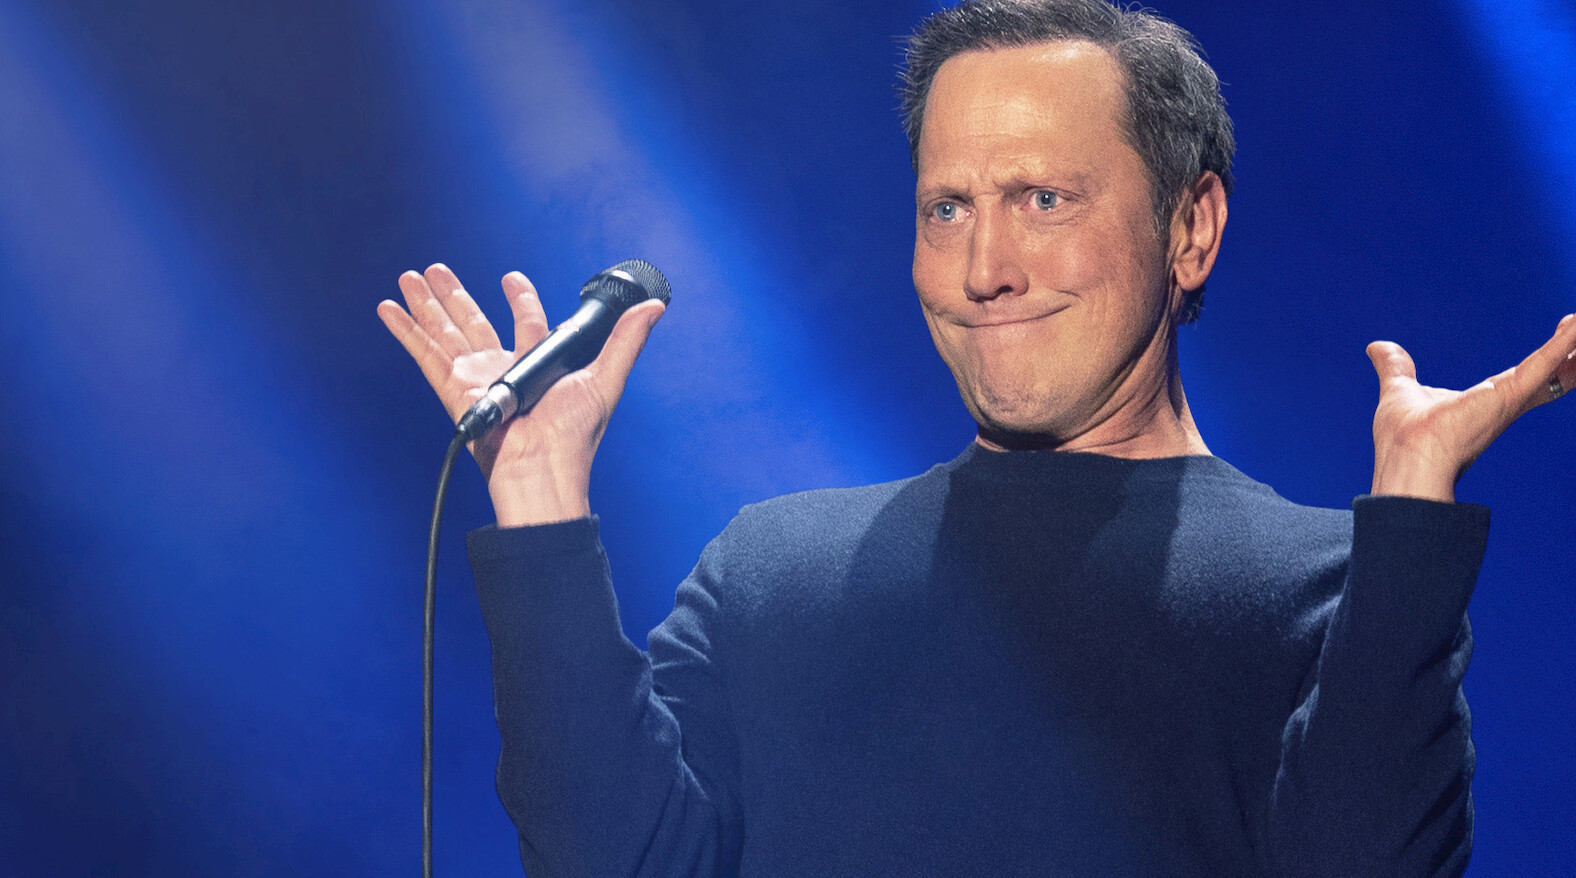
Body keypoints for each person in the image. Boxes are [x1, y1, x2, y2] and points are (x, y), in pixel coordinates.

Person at [377, 0, 1576, 874]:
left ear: (1191, 228)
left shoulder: (1330, 591)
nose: (985, 267)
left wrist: (1409, 518)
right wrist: (539, 501)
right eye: (948, 207)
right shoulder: (773, 571)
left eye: (1043, 200)